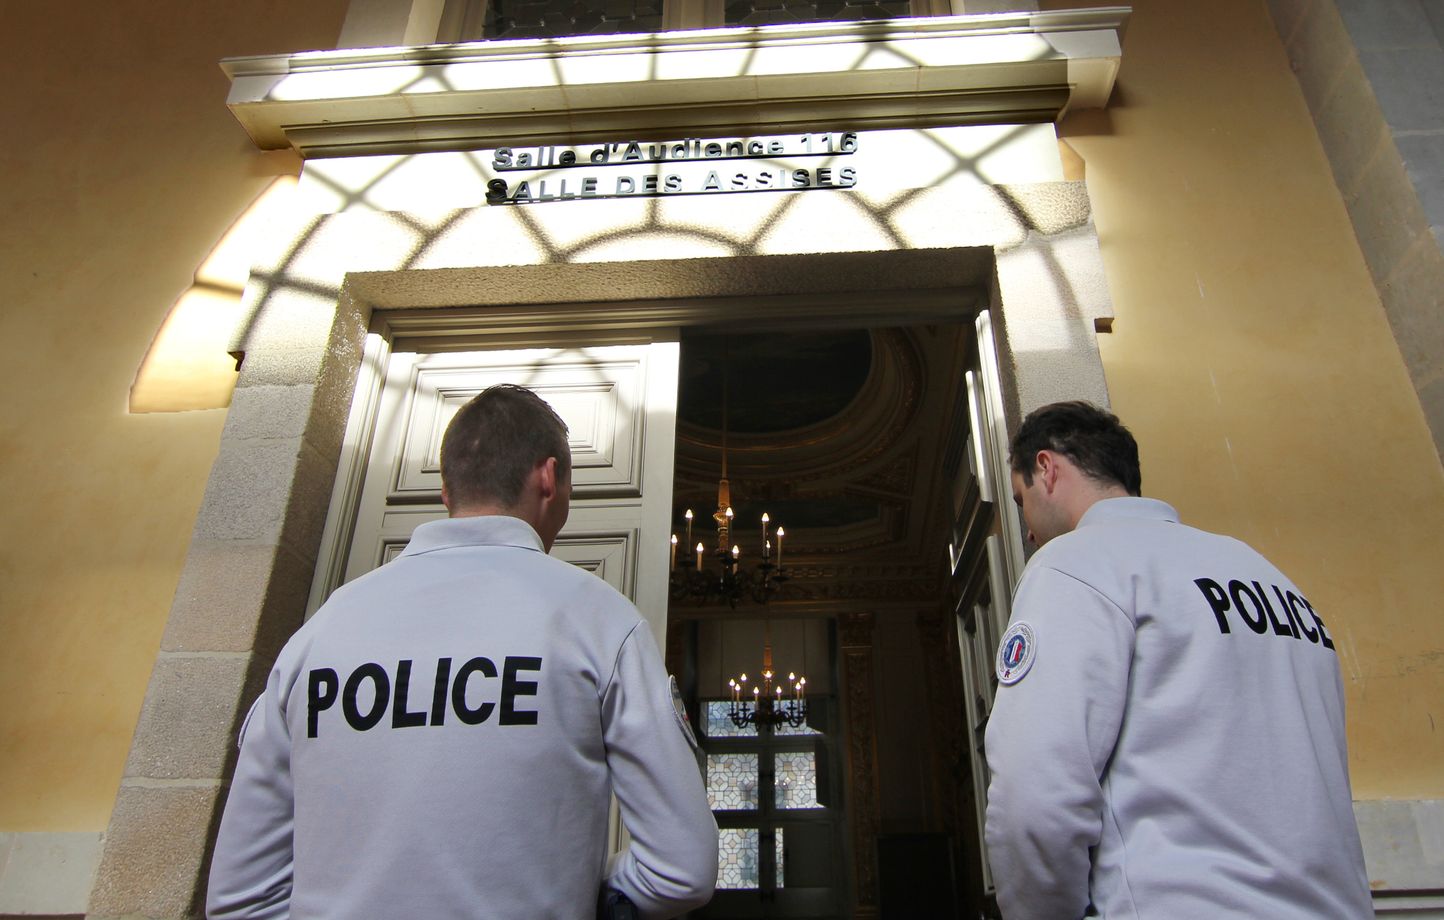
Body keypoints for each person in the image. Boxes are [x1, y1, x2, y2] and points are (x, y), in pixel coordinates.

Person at [207, 384, 718, 920]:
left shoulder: (317, 635)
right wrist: (578, 891)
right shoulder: (598, 620)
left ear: (446, 492)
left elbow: (242, 897)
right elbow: (681, 867)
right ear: (549, 478)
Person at [983, 401, 1372, 920]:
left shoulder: (1076, 563)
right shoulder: (1274, 580)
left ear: (1047, 469)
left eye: (1019, 500)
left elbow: (1034, 798)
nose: (1028, 531)